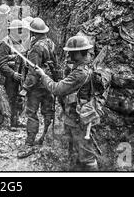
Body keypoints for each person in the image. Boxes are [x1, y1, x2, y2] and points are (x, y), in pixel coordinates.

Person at [34, 35, 99, 171]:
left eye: (71, 52)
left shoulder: (80, 73)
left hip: (79, 118)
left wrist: (43, 75)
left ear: (80, 53)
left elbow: (57, 89)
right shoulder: (85, 66)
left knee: (86, 155)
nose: (68, 55)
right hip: (74, 116)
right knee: (75, 151)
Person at [17, 18, 59, 158]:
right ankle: (46, 139)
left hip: (36, 87)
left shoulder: (36, 47)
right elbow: (55, 65)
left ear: (33, 32)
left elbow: (33, 71)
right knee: (48, 112)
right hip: (49, 83)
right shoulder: (50, 43)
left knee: (31, 114)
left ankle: (29, 143)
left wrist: (25, 88)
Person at [0, 19, 29, 131]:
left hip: (19, 76)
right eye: (18, 30)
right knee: (10, 99)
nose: (20, 32)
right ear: (12, 31)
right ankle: (10, 123)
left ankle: (16, 120)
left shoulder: (18, 43)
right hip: (8, 78)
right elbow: (1, 64)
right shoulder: (5, 43)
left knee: (18, 99)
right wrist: (12, 74)